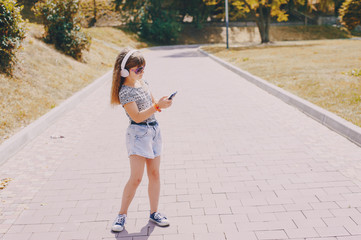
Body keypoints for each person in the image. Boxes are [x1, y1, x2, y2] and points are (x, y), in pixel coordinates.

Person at [110, 48, 173, 232]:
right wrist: (156, 106)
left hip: (154, 131)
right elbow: (137, 117)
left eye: (143, 67)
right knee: (136, 178)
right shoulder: (125, 92)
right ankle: (121, 215)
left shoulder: (143, 82)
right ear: (125, 71)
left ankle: (154, 213)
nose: (142, 71)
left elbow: (152, 107)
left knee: (154, 174)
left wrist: (162, 104)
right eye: (138, 69)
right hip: (138, 134)